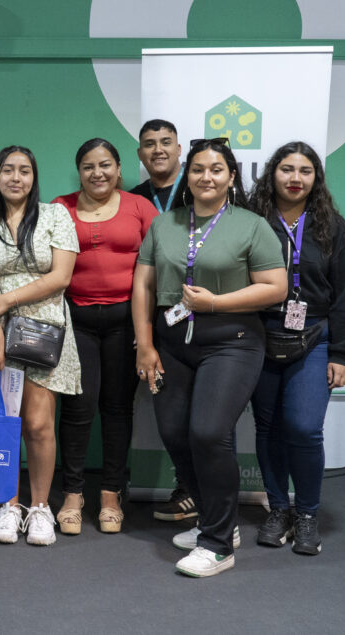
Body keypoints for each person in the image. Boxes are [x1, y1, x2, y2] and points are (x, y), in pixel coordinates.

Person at [132, 139, 287, 577]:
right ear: (188, 174)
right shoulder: (165, 225)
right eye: (198, 169)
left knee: (208, 431)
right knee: (174, 431)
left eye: (217, 169)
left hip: (233, 340)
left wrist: (215, 304)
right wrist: (145, 343)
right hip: (172, 343)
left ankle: (218, 544)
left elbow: (275, 287)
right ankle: (217, 520)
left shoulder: (252, 225)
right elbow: (143, 287)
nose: (206, 177)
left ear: (232, 177)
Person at [0, 146, 81, 546]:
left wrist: (8, 301)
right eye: (8, 170)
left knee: (38, 424)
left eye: (25, 171)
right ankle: (8, 507)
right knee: (4, 423)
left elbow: (61, 277)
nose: (16, 178)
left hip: (43, 332)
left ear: (34, 176)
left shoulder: (55, 215)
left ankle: (41, 508)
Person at [248, 142, 345, 556]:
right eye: (287, 169)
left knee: (303, 427)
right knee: (268, 428)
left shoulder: (333, 226)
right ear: (271, 173)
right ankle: (278, 509)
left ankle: (308, 514)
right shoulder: (253, 220)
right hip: (259, 335)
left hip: (315, 337)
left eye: (306, 171)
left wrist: (342, 354)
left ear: (316, 178)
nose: (295, 178)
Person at [51, 138, 157, 535]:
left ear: (118, 168)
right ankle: (73, 495)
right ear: (79, 172)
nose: (98, 173)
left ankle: (111, 494)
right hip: (76, 320)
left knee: (117, 409)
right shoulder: (60, 207)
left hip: (125, 321)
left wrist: (149, 332)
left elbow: (156, 267)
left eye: (106, 165)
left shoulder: (139, 207)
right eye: (89, 167)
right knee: (78, 410)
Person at [130, 119, 199, 523]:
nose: (158, 150)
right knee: (169, 414)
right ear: (140, 155)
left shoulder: (200, 192)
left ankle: (198, 490)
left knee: (204, 415)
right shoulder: (131, 198)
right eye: (149, 144)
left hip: (201, 310)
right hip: (149, 315)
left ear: (179, 151)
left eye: (166, 143)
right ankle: (187, 485)